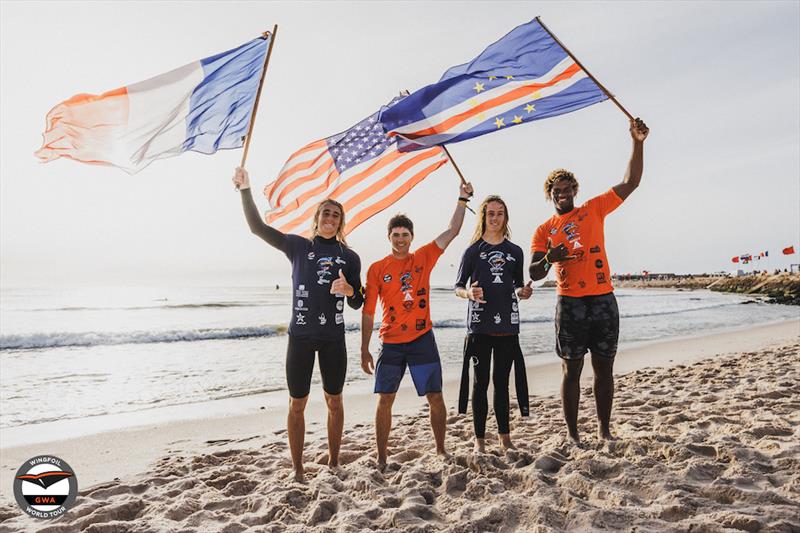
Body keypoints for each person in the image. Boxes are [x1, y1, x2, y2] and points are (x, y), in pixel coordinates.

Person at [233, 166, 363, 481]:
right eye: (326, 213)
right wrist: (245, 190)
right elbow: (256, 228)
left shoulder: (350, 258)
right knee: (297, 404)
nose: (330, 218)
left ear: (340, 222)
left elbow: (359, 301)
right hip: (301, 337)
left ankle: (334, 462)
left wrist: (349, 290)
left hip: (333, 338)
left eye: (336, 215)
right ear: (317, 218)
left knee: (335, 401)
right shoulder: (298, 247)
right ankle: (298, 468)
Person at [528, 118, 650, 445]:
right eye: (557, 191)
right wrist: (549, 258)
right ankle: (572, 434)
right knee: (571, 371)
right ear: (550, 194)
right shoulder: (544, 230)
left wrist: (637, 142)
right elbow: (535, 273)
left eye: (567, 189)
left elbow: (631, 182)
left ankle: (604, 429)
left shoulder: (594, 209)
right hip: (570, 304)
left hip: (603, 299)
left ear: (575, 191)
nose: (563, 194)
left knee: (604, 369)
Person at [361, 180, 474, 470]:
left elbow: (452, 231)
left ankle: (440, 449)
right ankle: (381, 457)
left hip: (422, 339)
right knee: (385, 398)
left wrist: (462, 199)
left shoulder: (423, 257)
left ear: (412, 237)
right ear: (389, 237)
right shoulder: (377, 269)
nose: (401, 239)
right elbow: (368, 311)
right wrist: (364, 348)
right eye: (396, 235)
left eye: (405, 235)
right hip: (391, 342)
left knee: (435, 396)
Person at [455, 195, 533, 453]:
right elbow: (458, 287)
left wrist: (523, 292)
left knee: (502, 383)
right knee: (480, 383)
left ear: (505, 217)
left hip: (507, 326)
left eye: (500, 213)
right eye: (491, 213)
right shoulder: (472, 251)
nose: (495, 218)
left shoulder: (515, 251)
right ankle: (479, 441)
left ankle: (504, 438)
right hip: (479, 326)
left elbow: (518, 285)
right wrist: (469, 293)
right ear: (483, 217)